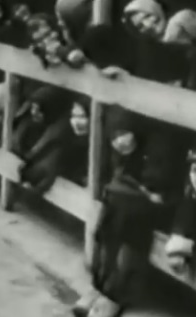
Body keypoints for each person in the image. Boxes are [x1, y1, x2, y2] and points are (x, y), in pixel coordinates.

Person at [74, 107, 187, 317]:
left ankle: (113, 295)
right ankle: (100, 285)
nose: (119, 142)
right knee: (114, 209)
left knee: (124, 213)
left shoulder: (159, 145)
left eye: (124, 133)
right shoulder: (125, 153)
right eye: (114, 137)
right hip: (134, 206)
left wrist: (143, 191)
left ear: (135, 130)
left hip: (167, 208)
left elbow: (162, 191)